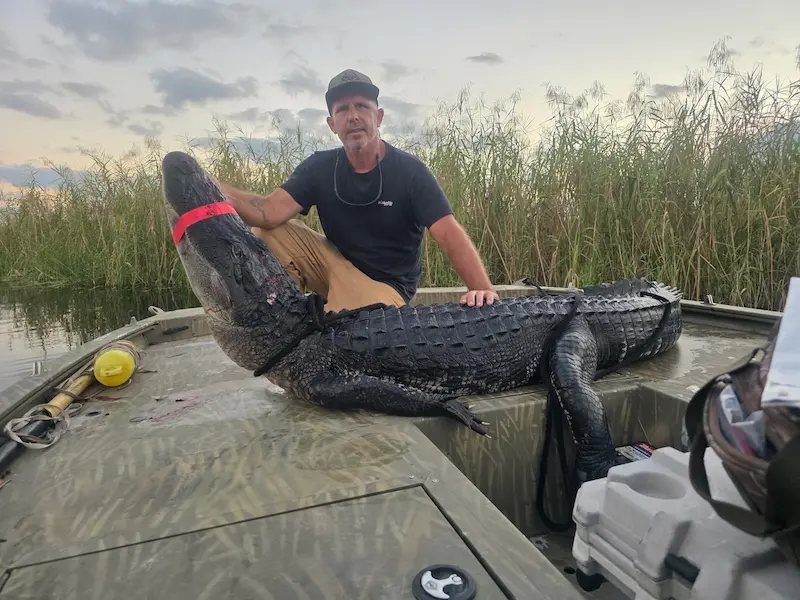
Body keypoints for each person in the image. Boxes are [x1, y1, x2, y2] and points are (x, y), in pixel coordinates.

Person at [218, 68, 500, 313]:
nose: (353, 116)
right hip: (334, 267)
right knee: (268, 232)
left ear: (378, 117)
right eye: (342, 110)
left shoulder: (410, 172)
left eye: (361, 106)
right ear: (332, 124)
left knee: (347, 333)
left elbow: (449, 234)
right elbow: (268, 211)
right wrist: (207, 186)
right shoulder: (318, 167)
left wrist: (483, 289)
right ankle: (282, 318)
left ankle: (333, 317)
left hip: (385, 288)